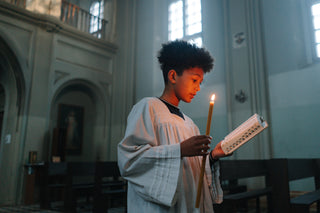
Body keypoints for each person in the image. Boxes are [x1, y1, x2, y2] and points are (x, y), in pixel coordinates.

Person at [117, 40, 229, 213]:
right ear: (173, 76)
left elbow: (194, 171)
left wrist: (213, 156)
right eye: (194, 80)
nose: (198, 88)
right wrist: (179, 150)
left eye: (200, 82)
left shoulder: (190, 123)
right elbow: (129, 161)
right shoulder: (148, 107)